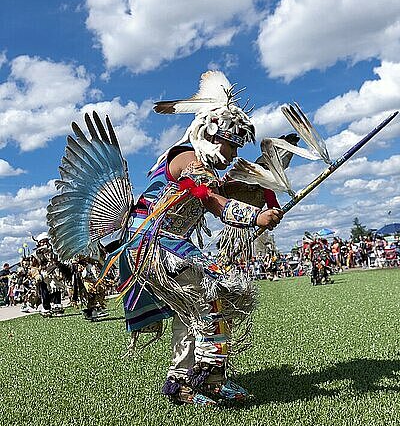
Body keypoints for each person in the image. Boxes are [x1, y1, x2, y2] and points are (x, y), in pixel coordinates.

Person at [47, 71, 285, 406]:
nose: (233, 153)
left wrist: (259, 195)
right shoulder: (188, 158)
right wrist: (256, 215)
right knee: (215, 295)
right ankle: (210, 382)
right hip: (158, 244)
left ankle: (181, 382)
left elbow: (219, 196)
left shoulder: (201, 167)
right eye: (231, 144)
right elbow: (214, 201)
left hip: (158, 245)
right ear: (210, 133)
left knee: (190, 309)